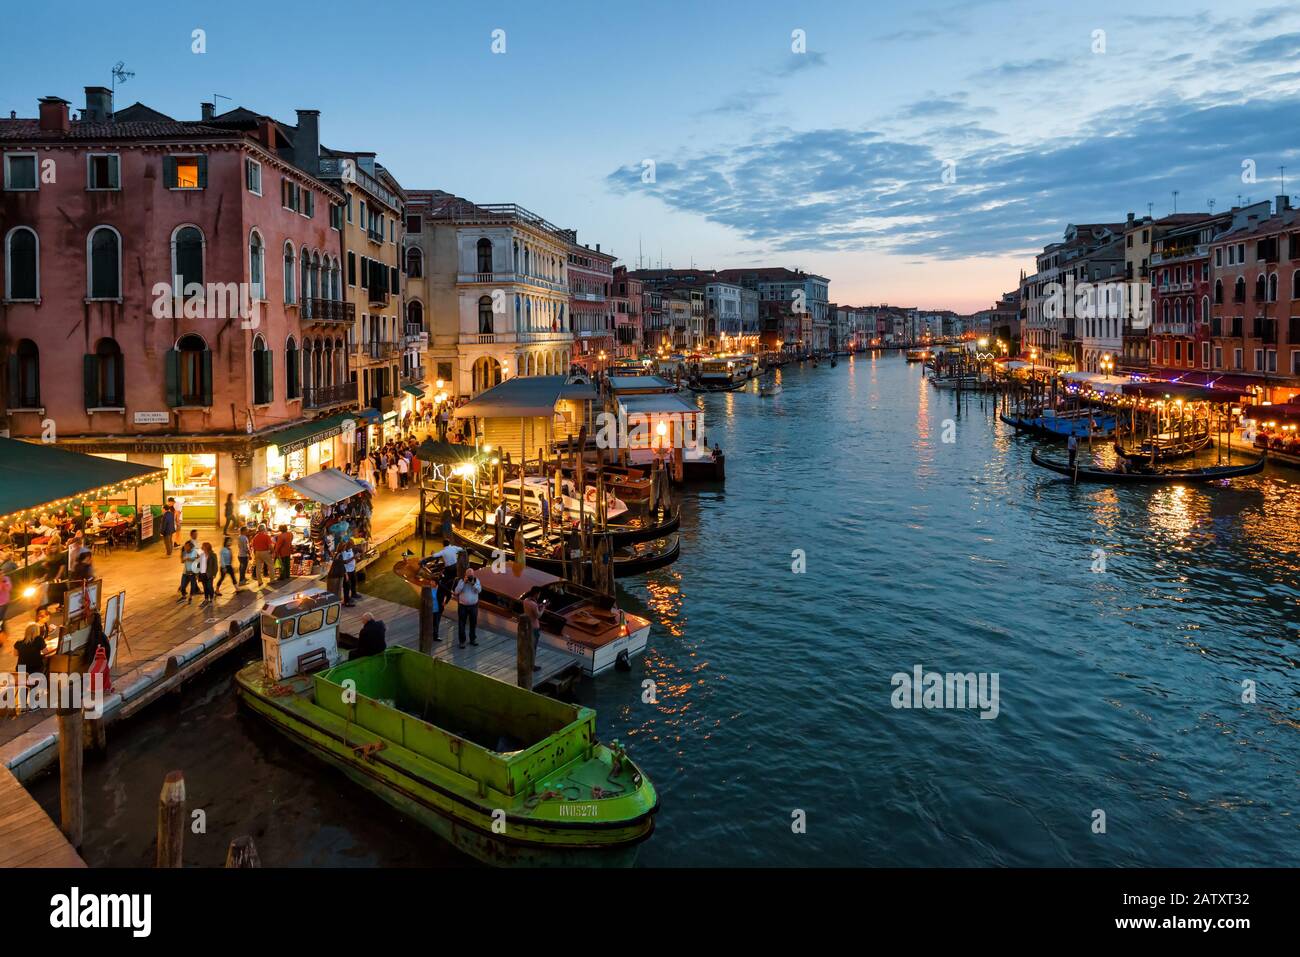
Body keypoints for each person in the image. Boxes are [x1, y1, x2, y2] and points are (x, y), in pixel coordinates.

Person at [454, 568, 481, 647]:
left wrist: (473, 584)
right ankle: (462, 641)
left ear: (473, 575)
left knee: (473, 623)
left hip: (473, 606)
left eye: (471, 576)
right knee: (461, 623)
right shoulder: (461, 581)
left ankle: (472, 639)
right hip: (463, 606)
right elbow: (456, 591)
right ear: (465, 575)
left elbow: (479, 590)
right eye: (468, 576)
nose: (470, 577)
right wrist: (463, 583)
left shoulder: (476, 581)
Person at [522, 587, 544, 673]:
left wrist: (538, 606)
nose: (539, 595)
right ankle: (532, 665)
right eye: (539, 594)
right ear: (536, 593)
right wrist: (543, 608)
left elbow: (531, 610)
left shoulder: (526, 601)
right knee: (533, 647)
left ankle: (525, 663)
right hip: (534, 627)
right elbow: (538, 615)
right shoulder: (533, 604)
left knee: (527, 646)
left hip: (527, 626)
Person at [198, 542, 217, 606]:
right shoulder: (201, 555)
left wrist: (214, 573)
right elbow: (199, 565)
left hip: (209, 574)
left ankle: (211, 598)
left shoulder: (213, 555)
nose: (202, 547)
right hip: (202, 573)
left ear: (207, 547)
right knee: (205, 587)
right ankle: (206, 599)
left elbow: (215, 565)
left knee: (209, 586)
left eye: (203, 546)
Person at [340, 540, 357, 606]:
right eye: (351, 545)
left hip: (352, 569)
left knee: (354, 582)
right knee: (347, 586)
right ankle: (346, 601)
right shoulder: (343, 552)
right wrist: (353, 557)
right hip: (347, 571)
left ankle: (353, 594)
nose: (352, 546)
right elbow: (344, 562)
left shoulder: (351, 549)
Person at [0, 570, 11, 641]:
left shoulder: (6, 579)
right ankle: (5, 634)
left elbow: (8, 588)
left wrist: (3, 583)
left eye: (2, 573)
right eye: (0, 574)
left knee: (1, 619)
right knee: (2, 619)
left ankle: (3, 635)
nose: (2, 574)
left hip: (4, 603)